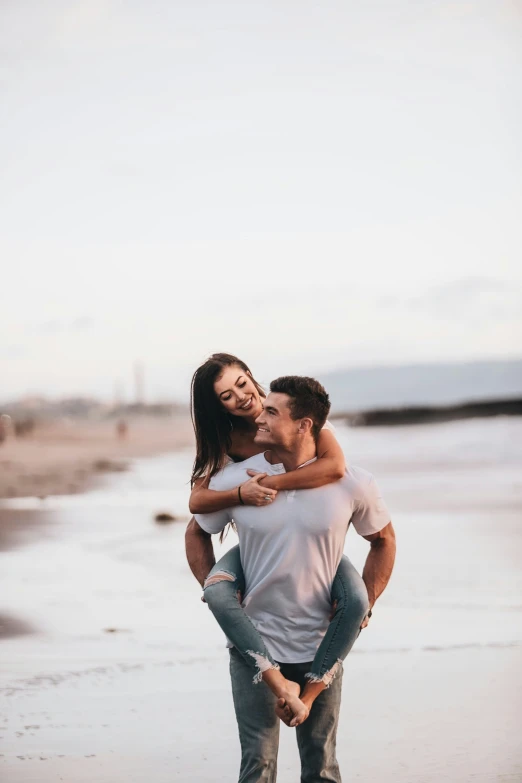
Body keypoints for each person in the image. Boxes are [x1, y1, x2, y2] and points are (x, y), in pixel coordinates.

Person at [186, 369, 396, 782]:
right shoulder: (236, 479)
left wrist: (367, 600)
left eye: (268, 409)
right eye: (228, 396)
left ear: (302, 424)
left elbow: (383, 540)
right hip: (255, 650)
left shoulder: (351, 481)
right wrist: (222, 593)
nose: (256, 413)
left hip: (321, 646)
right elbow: (196, 525)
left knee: (322, 768)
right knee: (257, 768)